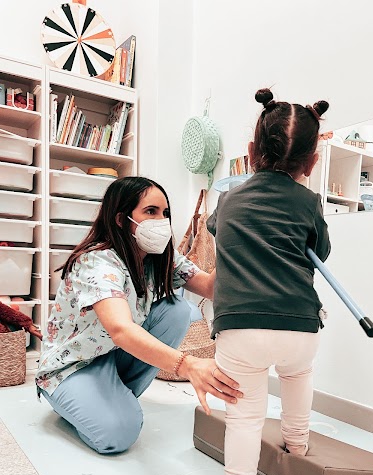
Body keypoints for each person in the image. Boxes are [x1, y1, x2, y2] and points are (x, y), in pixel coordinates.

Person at [36, 176, 242, 454]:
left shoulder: (158, 257)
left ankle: (110, 398)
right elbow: (120, 329)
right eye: (150, 211)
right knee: (118, 434)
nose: (162, 221)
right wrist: (188, 365)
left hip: (111, 354)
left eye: (165, 213)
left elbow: (209, 287)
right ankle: (79, 399)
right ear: (122, 220)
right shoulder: (97, 261)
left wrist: (236, 238)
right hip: (73, 365)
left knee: (178, 310)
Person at [206, 89, 331, 475]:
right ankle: (297, 444)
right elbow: (322, 251)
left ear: (250, 151)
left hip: (241, 326)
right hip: (300, 324)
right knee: (298, 377)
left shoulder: (228, 199)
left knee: (244, 418)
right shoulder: (309, 202)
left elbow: (216, 229)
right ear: (311, 163)